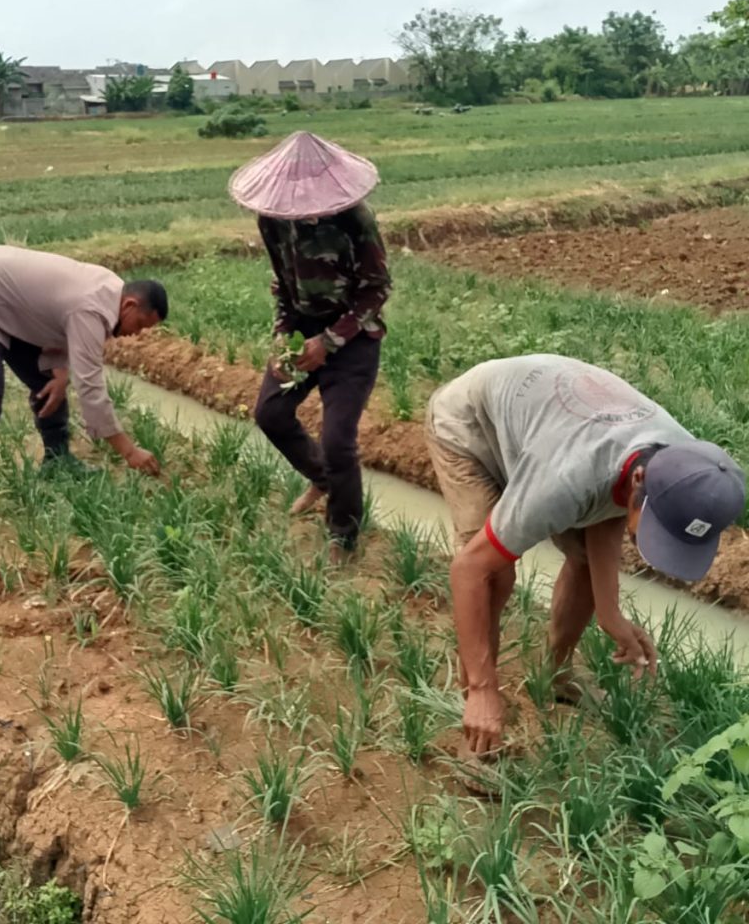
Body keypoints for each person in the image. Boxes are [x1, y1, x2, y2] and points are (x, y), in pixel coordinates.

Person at [425, 354, 746, 763]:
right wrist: (486, 689)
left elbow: (607, 516)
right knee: (495, 575)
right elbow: (468, 570)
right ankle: (476, 719)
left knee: (581, 558)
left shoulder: (687, 466)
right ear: (639, 483)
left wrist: (611, 615)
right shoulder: (565, 479)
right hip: (469, 427)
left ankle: (556, 674)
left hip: (554, 429)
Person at [229, 131, 392, 562]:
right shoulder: (271, 220)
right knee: (271, 413)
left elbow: (376, 290)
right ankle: (322, 479)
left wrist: (331, 340)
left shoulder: (356, 220)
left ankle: (344, 536)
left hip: (354, 337)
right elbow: (282, 286)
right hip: (303, 333)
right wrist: (282, 336)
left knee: (338, 439)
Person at [0, 244, 167, 519]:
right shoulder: (92, 307)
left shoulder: (112, 290)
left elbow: (57, 321)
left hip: (6, 303)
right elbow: (90, 389)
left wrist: (60, 371)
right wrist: (130, 452)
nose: (134, 334)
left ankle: (57, 458)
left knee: (49, 378)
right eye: (139, 325)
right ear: (130, 305)